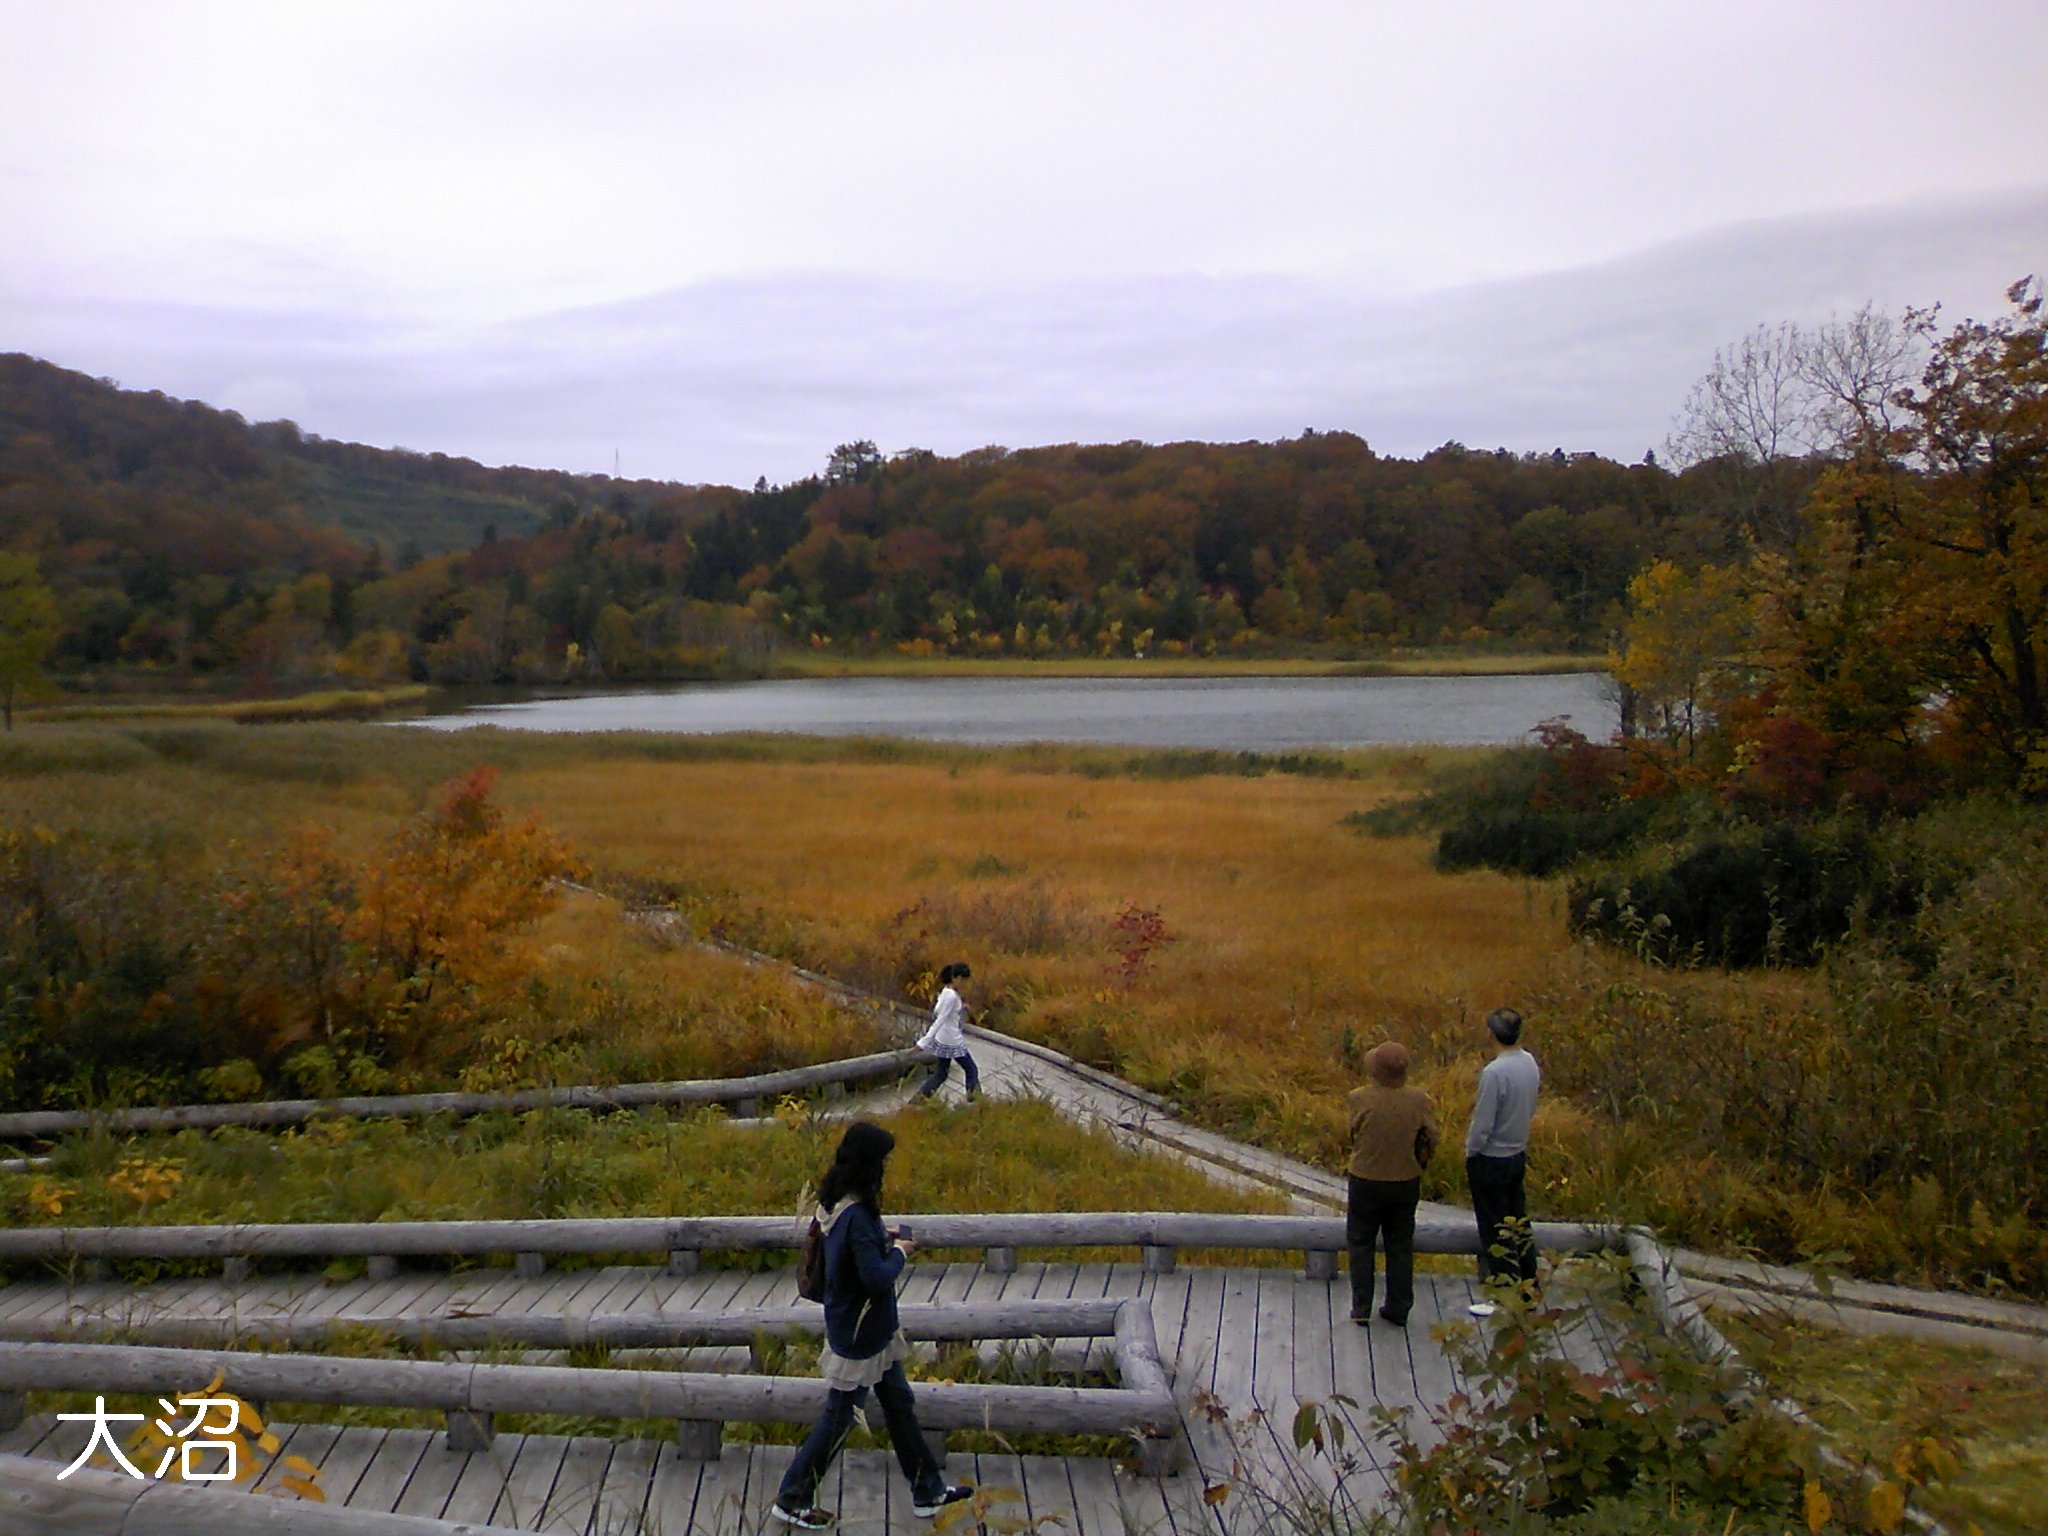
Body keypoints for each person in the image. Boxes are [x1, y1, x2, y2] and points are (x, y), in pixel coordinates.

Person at [774, 1121, 972, 1528]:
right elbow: (876, 1277)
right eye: (882, 1160)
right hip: (864, 1333)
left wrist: (883, 1236)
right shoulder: (859, 1216)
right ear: (871, 1164)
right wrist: (900, 1250)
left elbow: (848, 1256)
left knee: (899, 1405)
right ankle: (792, 1497)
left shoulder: (834, 1202)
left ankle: (928, 1490)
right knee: (839, 1419)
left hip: (859, 1326)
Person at [1344, 1040, 1438, 1327]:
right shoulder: (1420, 1099)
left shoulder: (1359, 1097)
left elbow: (1349, 1133)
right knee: (1400, 1245)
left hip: (1365, 1178)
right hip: (1405, 1179)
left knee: (1361, 1242)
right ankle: (1398, 1307)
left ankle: (1361, 1307)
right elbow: (1432, 1137)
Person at [1464, 1006, 1541, 1315]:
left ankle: (1503, 1294)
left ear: (1492, 1033)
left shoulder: (1495, 1073)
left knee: (1495, 1229)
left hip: (1491, 1158)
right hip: (1516, 1152)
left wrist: (1471, 1151)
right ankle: (1529, 1288)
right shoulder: (1529, 1062)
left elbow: (1483, 1123)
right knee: (1519, 1224)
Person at [913, 962, 981, 1100]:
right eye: (963, 980)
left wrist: (961, 1007)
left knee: (941, 1073)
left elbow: (941, 1012)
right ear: (955, 978)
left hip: (944, 1038)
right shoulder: (951, 996)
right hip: (952, 1040)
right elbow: (941, 1019)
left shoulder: (945, 993)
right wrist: (923, 1042)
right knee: (971, 1069)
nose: (964, 984)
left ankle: (920, 1098)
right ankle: (975, 1099)